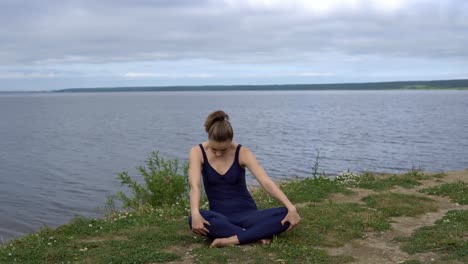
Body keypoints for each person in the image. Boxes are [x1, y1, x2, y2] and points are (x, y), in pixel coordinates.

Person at [188, 110, 301, 248]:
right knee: (194, 218)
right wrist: (195, 213)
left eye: (223, 150)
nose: (218, 153)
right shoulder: (197, 152)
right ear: (209, 138)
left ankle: (229, 239)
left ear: (231, 141)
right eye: (214, 149)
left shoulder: (242, 152)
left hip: (249, 215)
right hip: (220, 217)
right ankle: (255, 235)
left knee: (285, 214)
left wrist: (291, 207)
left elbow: (266, 182)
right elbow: (195, 186)